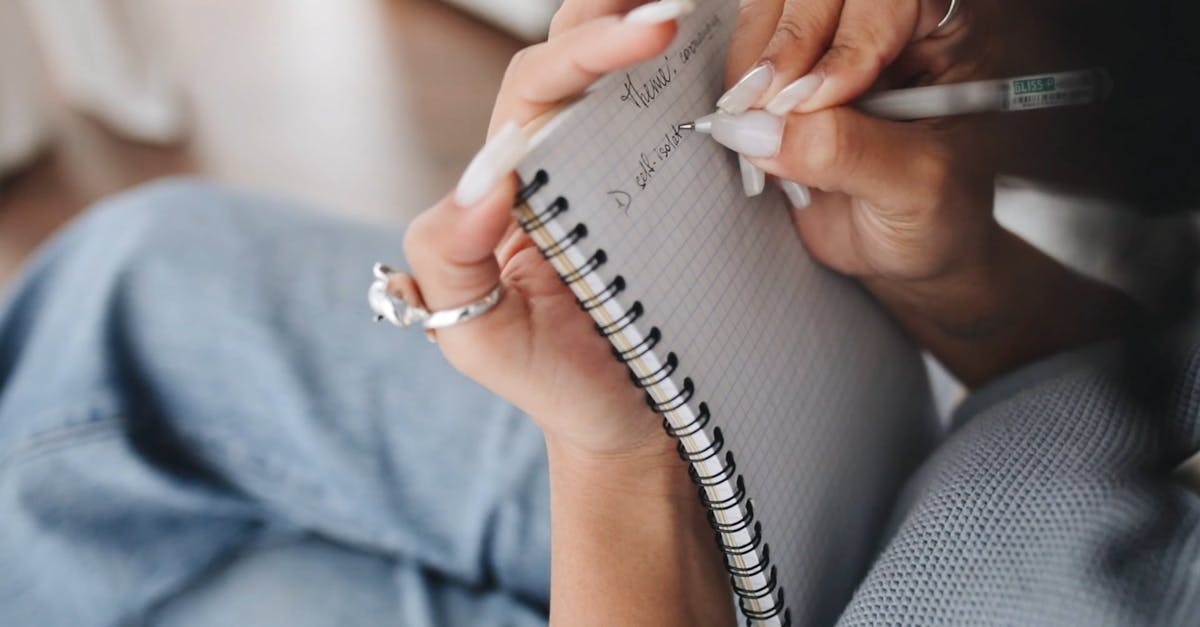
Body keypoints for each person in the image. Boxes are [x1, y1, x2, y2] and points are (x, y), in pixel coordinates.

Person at [1, 1, 1197, 626]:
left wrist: (624, 462)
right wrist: (964, 283)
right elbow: (1144, 441)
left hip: (786, 543)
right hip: (905, 466)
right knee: (144, 278)